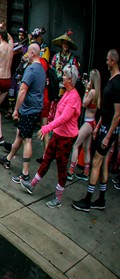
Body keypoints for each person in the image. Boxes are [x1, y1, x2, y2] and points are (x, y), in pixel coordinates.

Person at [20, 64, 81, 207]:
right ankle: (32, 184)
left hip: (66, 137)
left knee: (61, 165)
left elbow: (64, 118)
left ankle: (58, 198)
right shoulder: (66, 92)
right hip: (59, 134)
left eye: (65, 75)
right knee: (46, 159)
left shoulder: (74, 97)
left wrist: (47, 127)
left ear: (70, 79)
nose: (62, 77)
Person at [74, 49, 119, 212]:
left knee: (96, 163)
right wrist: (99, 124)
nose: (106, 62)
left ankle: (87, 200)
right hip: (104, 127)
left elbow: (117, 114)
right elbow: (107, 110)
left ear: (113, 61)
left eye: (108, 60)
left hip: (109, 131)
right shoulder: (111, 80)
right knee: (104, 163)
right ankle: (101, 199)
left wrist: (107, 135)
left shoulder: (117, 84)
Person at [0, 44, 46, 185]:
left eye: (27, 52)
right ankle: (7, 159)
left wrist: (16, 109)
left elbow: (23, 91)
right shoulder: (41, 70)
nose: (26, 54)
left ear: (32, 53)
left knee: (27, 140)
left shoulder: (31, 69)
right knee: (20, 135)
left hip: (28, 110)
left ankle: (25, 174)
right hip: (35, 108)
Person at [69, 69, 100, 181]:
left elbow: (84, 103)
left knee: (76, 145)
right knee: (86, 147)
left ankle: (71, 171)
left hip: (88, 122)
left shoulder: (92, 92)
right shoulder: (98, 92)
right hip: (92, 121)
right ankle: (86, 172)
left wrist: (86, 90)